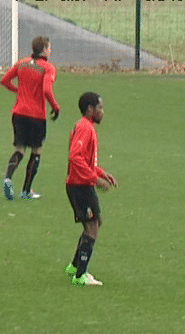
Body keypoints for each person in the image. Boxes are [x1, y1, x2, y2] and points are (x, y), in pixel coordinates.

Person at [64, 92, 118, 286]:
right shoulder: (85, 128)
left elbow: (85, 160)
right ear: (90, 109)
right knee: (92, 227)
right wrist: (94, 179)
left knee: (95, 222)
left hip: (80, 184)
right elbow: (75, 157)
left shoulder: (86, 127)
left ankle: (74, 266)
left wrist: (102, 173)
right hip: (80, 185)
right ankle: (80, 275)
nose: (102, 112)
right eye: (100, 108)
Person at [0, 36, 60, 200]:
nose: (51, 50)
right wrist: (55, 107)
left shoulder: (22, 63)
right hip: (36, 115)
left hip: (18, 113)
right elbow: (47, 90)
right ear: (44, 50)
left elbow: (4, 80)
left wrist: (18, 91)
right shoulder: (48, 68)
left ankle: (8, 178)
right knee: (36, 151)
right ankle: (26, 191)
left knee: (20, 149)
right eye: (49, 47)